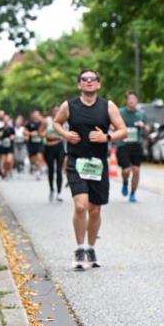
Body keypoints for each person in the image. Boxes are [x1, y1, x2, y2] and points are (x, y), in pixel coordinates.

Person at [54, 69, 127, 270]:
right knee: (80, 205)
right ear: (79, 85)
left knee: (95, 209)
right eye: (84, 79)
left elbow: (123, 130)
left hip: (98, 164)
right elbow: (56, 123)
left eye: (92, 79)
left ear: (98, 84)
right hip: (76, 161)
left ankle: (91, 247)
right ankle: (79, 248)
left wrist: (107, 137)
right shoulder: (69, 106)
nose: (89, 82)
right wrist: (66, 135)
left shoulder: (107, 106)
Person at [118, 91, 148, 202]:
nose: (132, 101)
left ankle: (133, 193)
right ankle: (125, 182)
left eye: (134, 99)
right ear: (126, 100)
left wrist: (143, 126)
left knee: (136, 170)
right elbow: (112, 124)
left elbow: (148, 128)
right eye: (130, 99)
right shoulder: (120, 112)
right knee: (126, 170)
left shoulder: (141, 114)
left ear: (137, 101)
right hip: (123, 144)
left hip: (136, 145)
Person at [43, 103, 65, 202]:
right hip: (49, 147)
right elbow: (40, 132)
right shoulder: (46, 121)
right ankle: (52, 189)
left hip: (59, 147)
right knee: (51, 170)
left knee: (59, 170)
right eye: (55, 110)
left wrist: (60, 136)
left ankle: (59, 193)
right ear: (52, 111)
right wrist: (46, 135)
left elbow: (66, 133)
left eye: (58, 110)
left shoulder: (64, 121)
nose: (57, 112)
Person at [24, 110, 46, 179]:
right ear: (33, 115)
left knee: (39, 157)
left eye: (37, 114)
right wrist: (30, 133)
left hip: (40, 143)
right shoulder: (29, 123)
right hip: (31, 144)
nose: (36, 116)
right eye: (35, 114)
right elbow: (24, 131)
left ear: (39, 115)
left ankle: (38, 172)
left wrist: (39, 133)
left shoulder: (42, 123)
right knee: (33, 161)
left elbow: (46, 132)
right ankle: (36, 168)